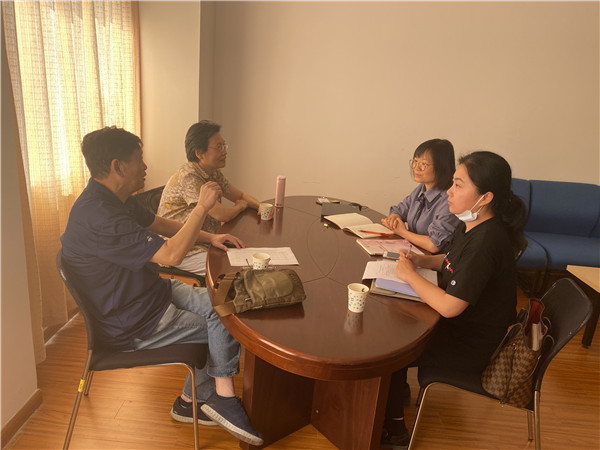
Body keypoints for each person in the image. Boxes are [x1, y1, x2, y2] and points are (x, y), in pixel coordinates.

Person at [60, 126, 264, 446]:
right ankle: (220, 398)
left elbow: (160, 224)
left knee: (227, 301)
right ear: (117, 166)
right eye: (139, 160)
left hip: (151, 294)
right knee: (225, 321)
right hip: (134, 321)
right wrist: (201, 208)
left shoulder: (114, 199)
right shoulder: (100, 217)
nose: (145, 166)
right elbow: (171, 255)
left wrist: (211, 237)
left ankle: (192, 400)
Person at [382, 151, 528, 448]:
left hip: (470, 345)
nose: (449, 191)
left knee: (391, 348)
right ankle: (396, 391)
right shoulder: (471, 224)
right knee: (396, 323)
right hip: (461, 328)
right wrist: (422, 261)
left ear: (485, 197)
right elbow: (451, 260)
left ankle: (394, 430)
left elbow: (450, 307)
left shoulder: (486, 242)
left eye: (458, 185)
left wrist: (409, 275)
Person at [158, 120, 260, 276]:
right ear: (199, 153)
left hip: (208, 239)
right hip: (185, 248)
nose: (225, 152)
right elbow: (222, 214)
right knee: (232, 271)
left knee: (248, 253)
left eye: (224, 146)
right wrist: (241, 206)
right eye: (219, 147)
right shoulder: (189, 176)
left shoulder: (213, 172)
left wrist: (261, 206)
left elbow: (240, 196)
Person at [382, 139, 460, 253]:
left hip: (434, 260)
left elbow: (434, 245)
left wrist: (402, 232)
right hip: (413, 252)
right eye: (415, 161)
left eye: (424, 164)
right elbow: (400, 210)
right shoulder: (421, 188)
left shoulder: (449, 199)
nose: (416, 168)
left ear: (441, 167)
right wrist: (394, 218)